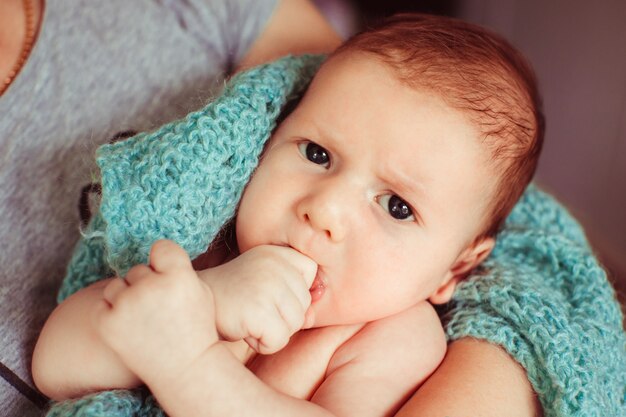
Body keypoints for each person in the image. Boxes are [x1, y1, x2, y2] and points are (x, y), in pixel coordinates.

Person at [32, 14, 545, 416]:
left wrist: (189, 367)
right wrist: (207, 300)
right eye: (317, 154)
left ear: (453, 269)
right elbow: (55, 364)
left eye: (397, 206)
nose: (324, 211)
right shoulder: (212, 251)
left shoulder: (395, 340)